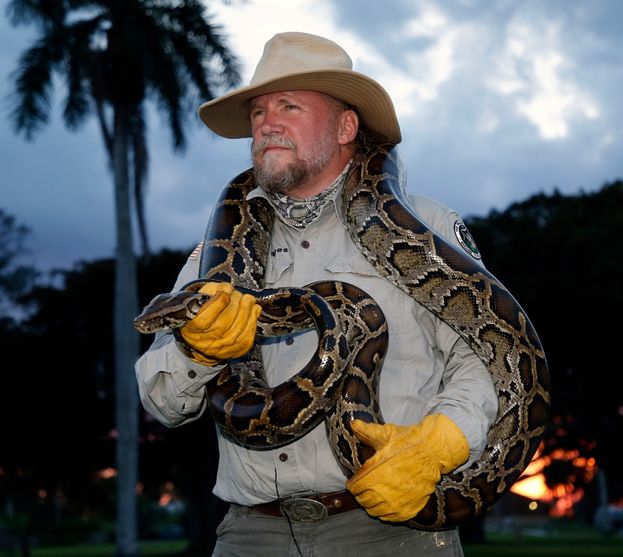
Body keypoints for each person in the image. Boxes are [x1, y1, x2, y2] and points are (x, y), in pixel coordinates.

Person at [135, 31, 497, 557]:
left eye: (288, 106)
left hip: (389, 531)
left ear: (346, 126)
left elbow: (484, 362)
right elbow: (159, 400)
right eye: (258, 112)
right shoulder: (214, 254)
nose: (267, 124)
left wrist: (445, 440)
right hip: (251, 533)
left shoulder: (430, 227)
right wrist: (196, 352)